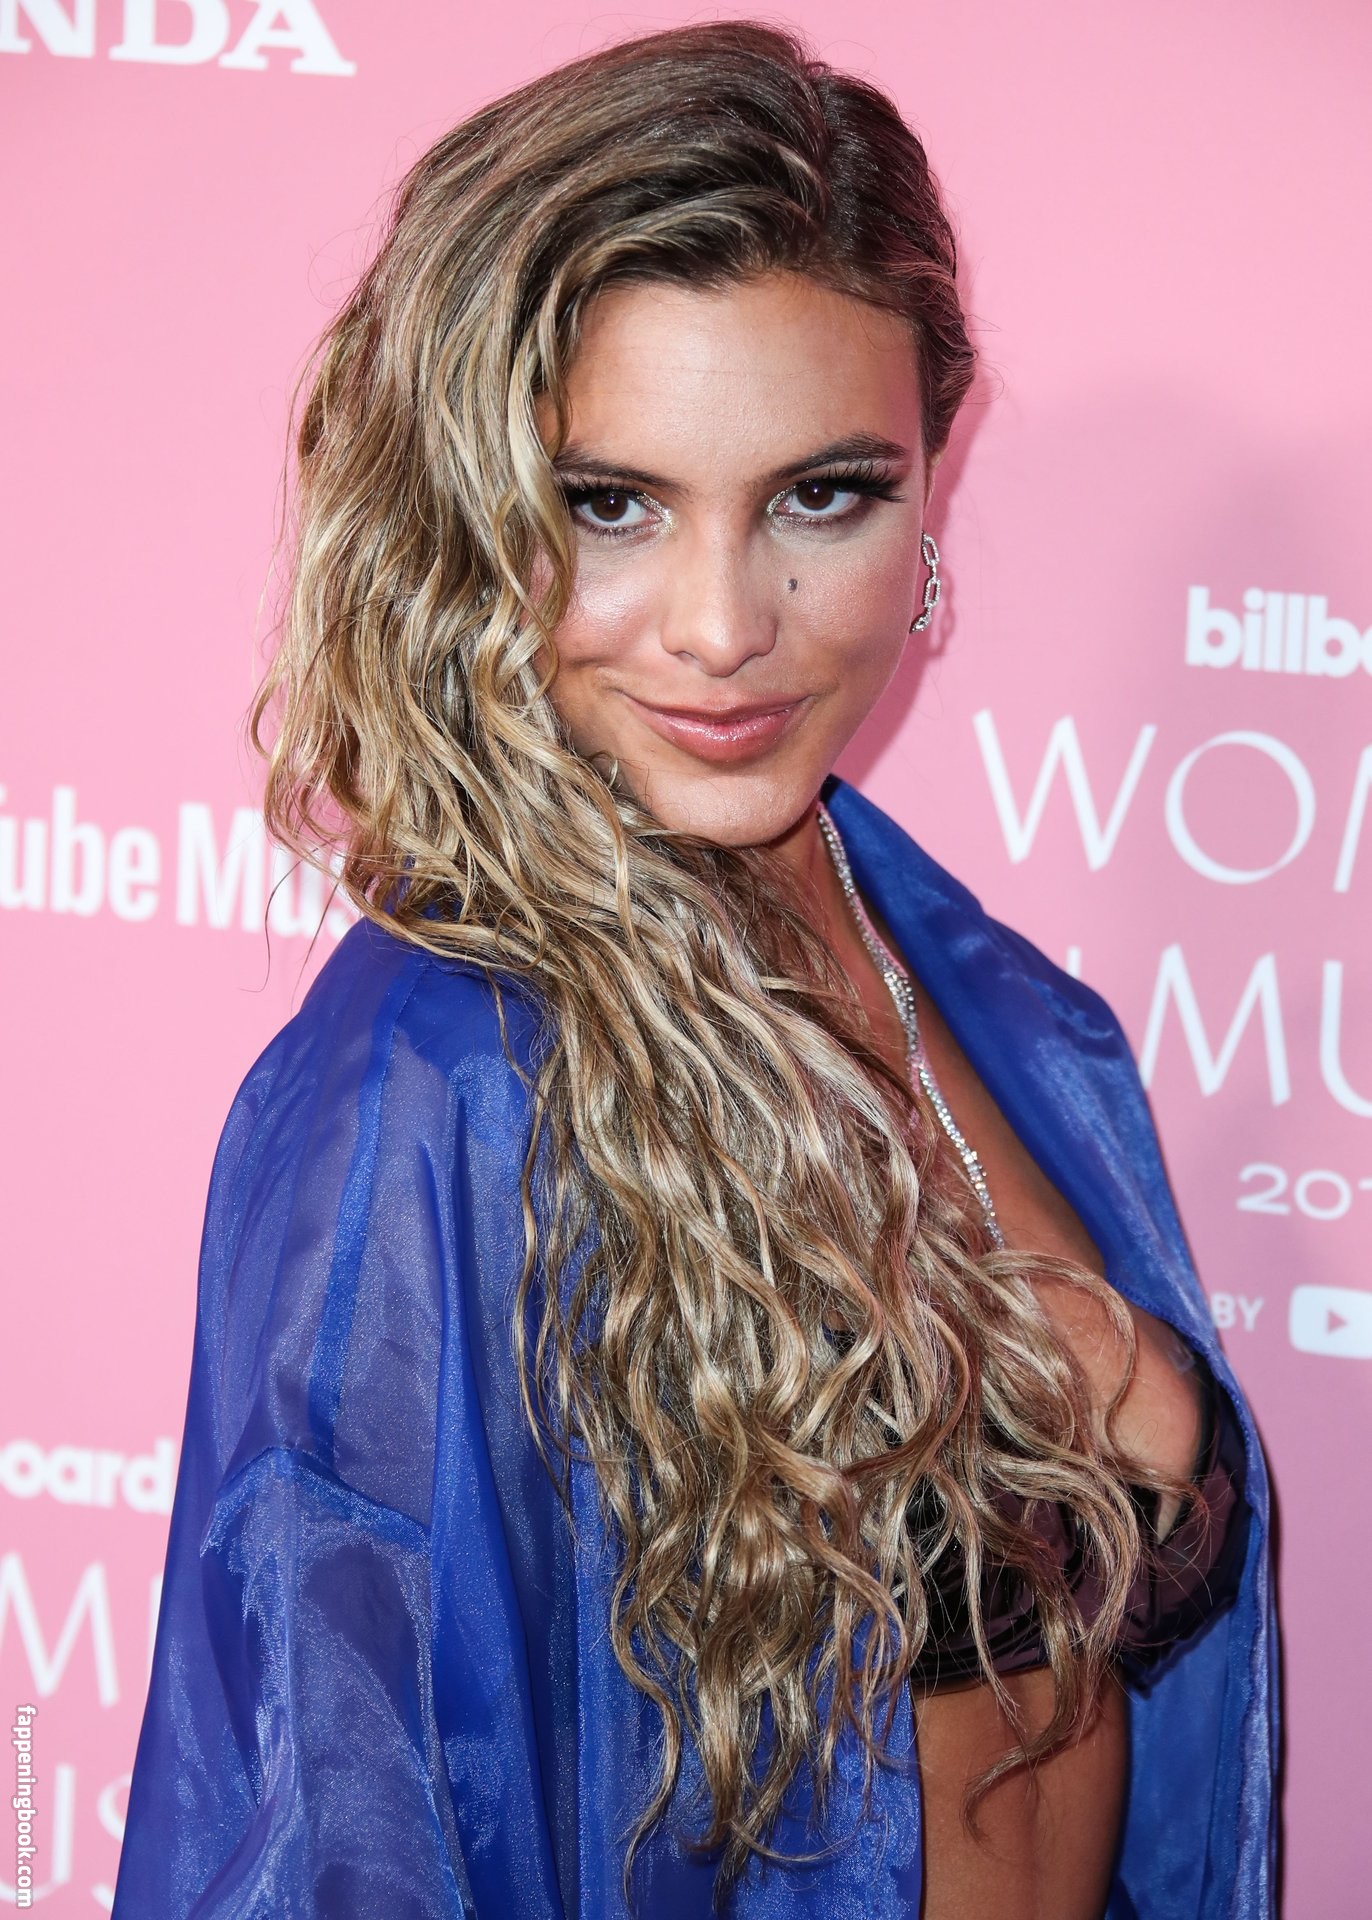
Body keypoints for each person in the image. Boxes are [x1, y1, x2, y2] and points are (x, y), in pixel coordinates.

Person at [112, 22, 1277, 1920]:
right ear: (465, 514)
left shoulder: (979, 993)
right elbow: (342, 1835)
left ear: (931, 483)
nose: (726, 629)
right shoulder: (438, 1079)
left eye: (823, 496)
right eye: (612, 504)